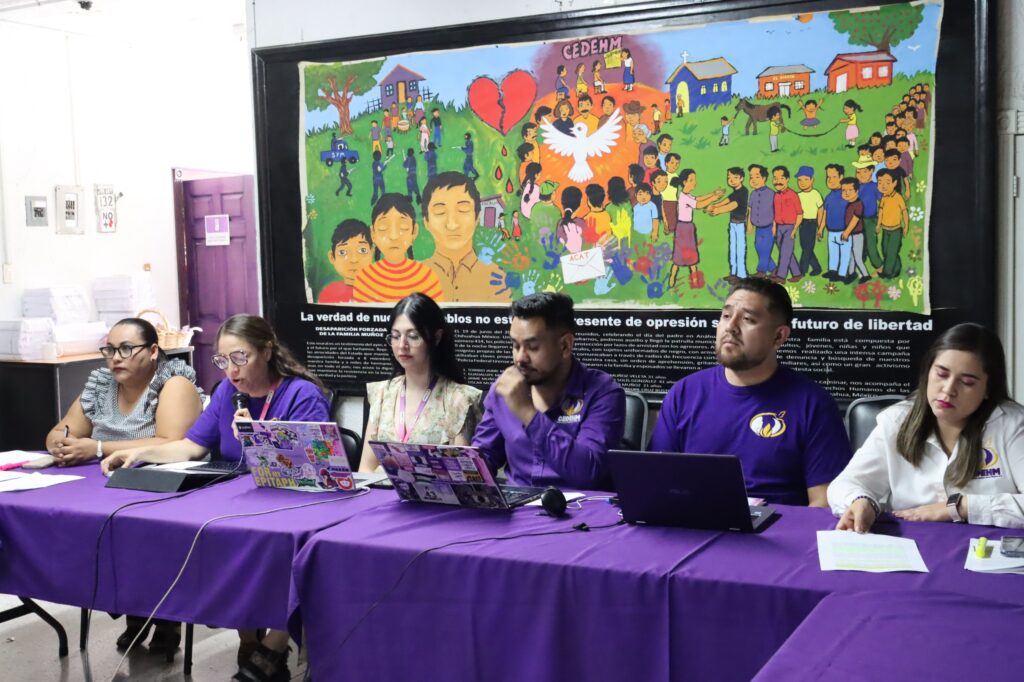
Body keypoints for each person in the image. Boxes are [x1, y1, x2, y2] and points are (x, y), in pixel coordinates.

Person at [102, 314, 330, 682]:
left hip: (294, 505)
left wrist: (263, 437)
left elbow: (317, 464)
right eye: (223, 360)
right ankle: (249, 640)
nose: (231, 370)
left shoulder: (301, 394)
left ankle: (273, 646)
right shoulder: (226, 393)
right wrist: (140, 452)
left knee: (279, 548)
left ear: (266, 351)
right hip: (241, 506)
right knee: (214, 538)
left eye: (240, 358)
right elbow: (191, 446)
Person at [46, 317, 203, 654]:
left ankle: (163, 613)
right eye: (110, 350)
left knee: (142, 533)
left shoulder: (173, 382)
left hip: (162, 489)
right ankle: (130, 605)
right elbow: (61, 430)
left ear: (153, 351)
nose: (116, 358)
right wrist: (61, 445)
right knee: (85, 529)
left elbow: (171, 441)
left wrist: (97, 448)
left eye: (127, 349)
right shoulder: (101, 384)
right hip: (106, 488)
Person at [649, 278, 851, 506]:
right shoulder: (685, 393)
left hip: (778, 525)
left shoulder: (813, 404)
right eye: (726, 316)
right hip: (693, 521)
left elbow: (824, 504)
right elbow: (657, 482)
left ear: (779, 336)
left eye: (747, 319)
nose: (731, 327)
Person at [830, 324, 1024, 532]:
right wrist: (861, 501)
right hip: (912, 541)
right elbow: (845, 484)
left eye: (967, 382)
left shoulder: (1012, 425)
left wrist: (959, 507)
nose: (948, 390)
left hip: (987, 545)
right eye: (941, 374)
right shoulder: (897, 420)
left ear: (988, 389)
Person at [473, 293, 625, 490]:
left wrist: (528, 413)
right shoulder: (504, 389)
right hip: (520, 504)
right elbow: (482, 461)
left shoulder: (603, 393)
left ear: (565, 345)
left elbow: (589, 473)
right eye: (515, 345)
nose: (520, 358)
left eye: (532, 347)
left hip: (581, 507)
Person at [359, 294, 482, 472]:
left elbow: (463, 474)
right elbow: (366, 469)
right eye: (395, 336)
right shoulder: (382, 393)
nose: (402, 345)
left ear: (437, 337)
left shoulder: (458, 399)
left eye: (413, 336)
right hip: (381, 489)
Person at [423, 171, 510, 302]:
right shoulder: (415, 277)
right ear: (426, 222)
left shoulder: (498, 278)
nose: (452, 224)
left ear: (477, 217)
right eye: (440, 211)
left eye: (463, 209)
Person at [353, 193, 445, 302]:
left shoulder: (427, 277)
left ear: (414, 231)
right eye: (383, 227)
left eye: (403, 227)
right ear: (373, 233)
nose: (394, 236)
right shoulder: (364, 279)